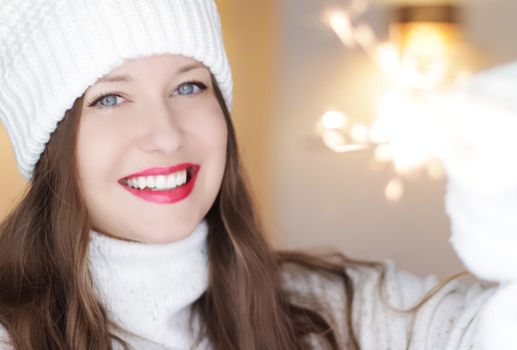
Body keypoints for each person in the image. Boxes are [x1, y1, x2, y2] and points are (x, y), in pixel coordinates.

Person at [0, 0, 496, 349]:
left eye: (189, 87)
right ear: (50, 145)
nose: (166, 135)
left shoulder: (329, 312)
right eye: (110, 98)